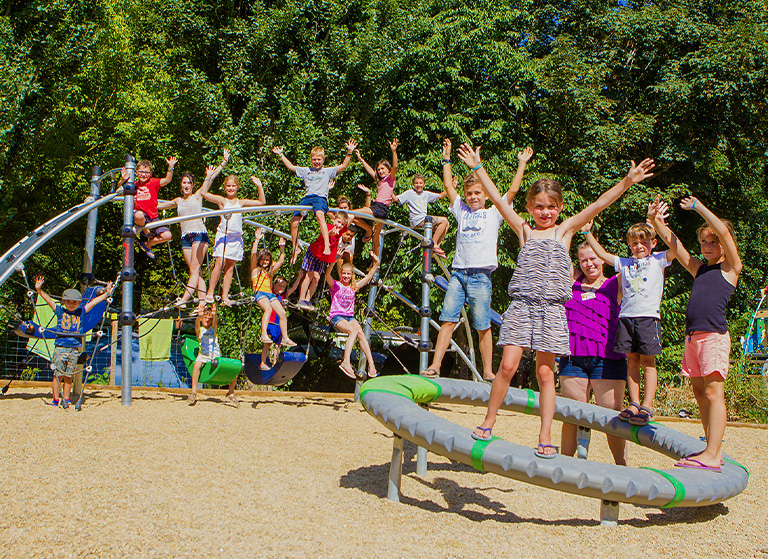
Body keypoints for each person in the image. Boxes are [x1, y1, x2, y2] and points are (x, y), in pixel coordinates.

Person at [459, 141, 655, 459]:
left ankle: (545, 433)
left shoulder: (563, 232)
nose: (545, 212)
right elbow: (496, 197)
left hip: (551, 309)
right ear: (529, 208)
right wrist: (477, 167)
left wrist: (627, 181)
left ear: (559, 208)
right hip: (523, 305)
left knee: (546, 373)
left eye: (550, 207)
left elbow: (599, 204)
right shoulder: (523, 230)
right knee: (507, 366)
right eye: (539, 206)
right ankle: (489, 419)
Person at [419, 140, 527, 382]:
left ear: (487, 195)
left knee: (482, 325)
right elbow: (448, 185)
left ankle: (488, 371)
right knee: (448, 319)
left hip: (481, 276)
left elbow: (513, 191)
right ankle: (436, 364)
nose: (473, 196)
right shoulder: (461, 211)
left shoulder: (494, 213)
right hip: (458, 274)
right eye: (469, 193)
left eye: (478, 193)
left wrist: (521, 165)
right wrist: (446, 159)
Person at [648, 195, 741, 472]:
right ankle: (712, 448)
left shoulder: (730, 269)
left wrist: (699, 207)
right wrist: (655, 221)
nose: (708, 246)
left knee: (714, 393)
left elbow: (723, 230)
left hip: (713, 336)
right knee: (699, 393)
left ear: (724, 245)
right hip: (693, 338)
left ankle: (712, 454)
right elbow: (675, 246)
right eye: (704, 242)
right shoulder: (700, 269)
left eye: (714, 242)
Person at [584, 215, 675, 426]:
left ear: (653, 243)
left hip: (648, 317)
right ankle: (634, 403)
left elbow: (676, 248)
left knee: (648, 363)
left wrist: (659, 224)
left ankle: (648, 405)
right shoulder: (625, 263)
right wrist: (588, 233)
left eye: (644, 242)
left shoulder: (658, 259)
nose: (639, 246)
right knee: (632, 360)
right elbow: (602, 255)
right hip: (626, 317)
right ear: (629, 245)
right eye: (634, 243)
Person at [559, 225, 628, 465]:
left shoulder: (615, 284)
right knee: (571, 414)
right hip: (572, 357)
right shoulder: (573, 281)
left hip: (607, 359)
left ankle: (622, 466)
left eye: (593, 259)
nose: (589, 264)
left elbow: (640, 263)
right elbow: (557, 247)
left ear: (602, 259)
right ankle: (564, 465)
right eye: (583, 260)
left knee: (611, 418)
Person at [157, 150, 230, 305]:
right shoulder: (177, 201)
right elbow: (158, 205)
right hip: (186, 237)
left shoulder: (197, 196)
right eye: (184, 183)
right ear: (181, 185)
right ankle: (202, 303)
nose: (186, 186)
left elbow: (210, 180)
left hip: (199, 235)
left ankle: (184, 300)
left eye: (189, 183)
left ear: (193, 185)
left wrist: (222, 163)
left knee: (194, 270)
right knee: (195, 272)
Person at [34, 276, 114, 408]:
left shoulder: (81, 312)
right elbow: (48, 300)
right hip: (61, 347)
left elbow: (93, 303)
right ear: (64, 302)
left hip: (74, 349)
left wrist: (106, 293)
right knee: (58, 374)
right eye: (69, 302)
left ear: (79, 303)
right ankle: (55, 399)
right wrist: (39, 289)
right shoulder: (60, 311)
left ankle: (66, 398)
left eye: (75, 302)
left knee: (69, 375)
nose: (71, 304)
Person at [273, 140, 357, 264]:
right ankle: (295, 248)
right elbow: (290, 167)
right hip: (307, 198)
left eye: (318, 159)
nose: (316, 162)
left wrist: (350, 152)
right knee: (293, 222)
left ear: (323, 159)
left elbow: (343, 166)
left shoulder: (327, 171)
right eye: (314, 159)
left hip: (320, 197)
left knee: (319, 215)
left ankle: (327, 245)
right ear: (311, 159)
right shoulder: (306, 170)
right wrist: (281, 154)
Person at [202, 175, 266, 306]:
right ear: (225, 187)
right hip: (224, 235)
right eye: (228, 186)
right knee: (220, 263)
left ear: (237, 187)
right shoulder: (222, 200)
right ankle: (210, 292)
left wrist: (259, 186)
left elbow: (261, 202)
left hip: (236, 237)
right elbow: (203, 193)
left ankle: (225, 296)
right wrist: (208, 177)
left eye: (233, 186)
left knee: (230, 267)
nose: (230, 188)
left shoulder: (240, 202)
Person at [325, 252, 380, 378]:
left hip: (349, 316)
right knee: (353, 332)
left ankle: (371, 364)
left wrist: (376, 264)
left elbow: (368, 277)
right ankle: (346, 361)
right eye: (343, 273)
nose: (345, 276)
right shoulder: (335, 285)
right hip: (337, 315)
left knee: (360, 332)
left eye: (348, 274)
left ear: (352, 275)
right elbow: (327, 274)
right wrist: (335, 260)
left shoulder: (353, 286)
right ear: (341, 273)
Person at [251, 228, 296, 362]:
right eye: (263, 260)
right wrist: (257, 239)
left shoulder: (269, 271)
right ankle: (264, 333)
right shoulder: (255, 269)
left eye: (267, 260)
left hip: (270, 294)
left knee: (282, 313)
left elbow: (280, 262)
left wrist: (282, 250)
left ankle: (286, 337)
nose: (265, 262)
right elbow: (253, 253)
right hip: (260, 293)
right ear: (260, 260)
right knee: (268, 309)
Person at [119, 157, 177, 259]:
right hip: (140, 217)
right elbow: (119, 190)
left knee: (167, 236)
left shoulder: (153, 182)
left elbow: (167, 180)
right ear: (136, 173)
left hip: (153, 217)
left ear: (150, 174)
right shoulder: (134, 185)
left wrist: (171, 167)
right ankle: (144, 231)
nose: (144, 174)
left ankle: (148, 244)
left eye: (146, 172)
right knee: (139, 215)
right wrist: (123, 180)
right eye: (141, 171)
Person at [291, 211, 350, 310]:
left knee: (317, 278)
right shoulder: (328, 226)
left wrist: (341, 214)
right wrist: (330, 232)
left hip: (323, 257)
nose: (340, 225)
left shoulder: (339, 233)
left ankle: (307, 300)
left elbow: (349, 220)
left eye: (342, 224)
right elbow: (325, 234)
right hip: (315, 252)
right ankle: (301, 299)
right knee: (309, 275)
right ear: (333, 220)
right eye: (338, 222)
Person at [351, 140, 398, 255]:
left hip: (379, 208)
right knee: (376, 237)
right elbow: (371, 172)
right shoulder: (381, 181)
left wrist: (394, 151)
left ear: (388, 169)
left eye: (383, 168)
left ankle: (366, 230)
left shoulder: (390, 178)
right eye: (379, 169)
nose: (380, 171)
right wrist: (361, 160)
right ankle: (375, 263)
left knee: (349, 214)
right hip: (382, 210)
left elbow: (395, 166)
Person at [188, 303, 238, 407]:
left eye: (209, 319)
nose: (207, 320)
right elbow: (197, 323)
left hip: (214, 355)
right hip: (203, 354)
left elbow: (215, 322)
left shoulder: (213, 329)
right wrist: (199, 315)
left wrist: (214, 313)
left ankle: (231, 393)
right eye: (205, 318)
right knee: (197, 364)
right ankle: (193, 391)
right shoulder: (200, 330)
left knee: (234, 369)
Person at [394, 172, 449, 257]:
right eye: (416, 183)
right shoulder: (410, 193)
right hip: (417, 221)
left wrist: (452, 187)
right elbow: (397, 199)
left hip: (424, 220)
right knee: (444, 220)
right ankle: (433, 244)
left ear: (424, 184)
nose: (418, 185)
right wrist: (388, 191)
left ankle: (437, 246)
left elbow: (441, 196)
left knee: (447, 224)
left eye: (420, 183)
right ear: (413, 184)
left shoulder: (426, 194)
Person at [261, 276, 289, 370]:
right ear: (274, 285)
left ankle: (275, 363)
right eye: (279, 285)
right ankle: (263, 362)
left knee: (278, 344)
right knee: (268, 343)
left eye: (283, 286)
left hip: (279, 324)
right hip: (271, 322)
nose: (281, 288)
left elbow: (293, 289)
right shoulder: (270, 294)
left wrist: (299, 278)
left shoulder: (283, 296)